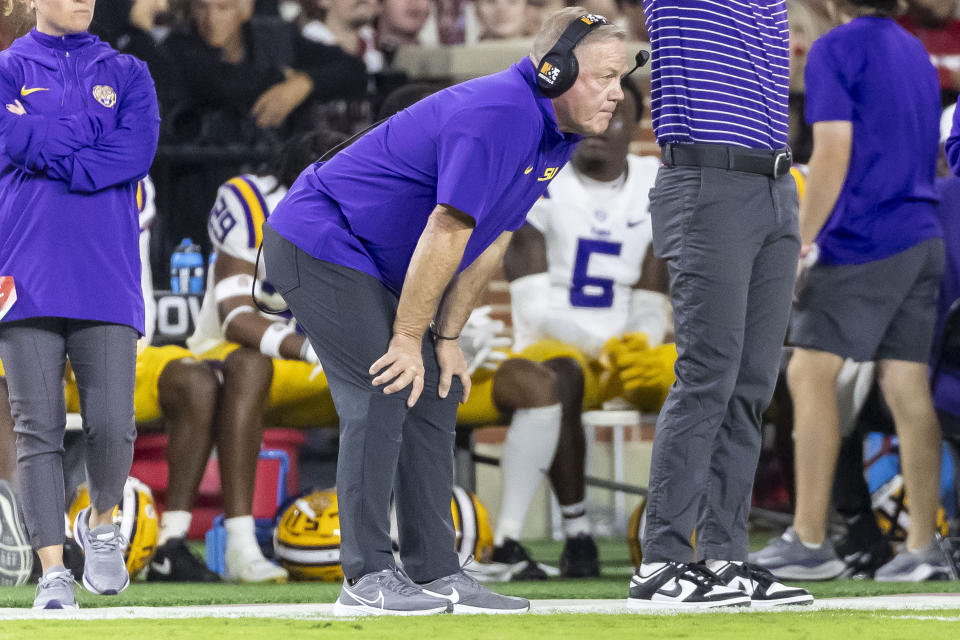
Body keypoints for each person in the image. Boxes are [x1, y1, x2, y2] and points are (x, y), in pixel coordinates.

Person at [264, 7, 626, 615]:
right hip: (320, 239)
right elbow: (449, 225)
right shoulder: (500, 114)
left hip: (378, 259)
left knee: (433, 392)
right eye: (605, 77)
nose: (617, 94)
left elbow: (495, 234)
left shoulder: (554, 129)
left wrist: (446, 336)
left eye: (621, 79)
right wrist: (409, 336)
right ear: (554, 70)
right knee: (386, 383)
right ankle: (368, 577)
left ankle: (435, 571)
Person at [752, 0, 950, 583]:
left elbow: (833, 153)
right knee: (906, 381)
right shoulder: (913, 47)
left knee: (808, 374)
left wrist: (800, 242)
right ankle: (922, 548)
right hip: (922, 232)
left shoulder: (835, 48)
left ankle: (810, 539)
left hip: (864, 237)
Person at [630, 0, 812, 608]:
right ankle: (661, 561)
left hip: (778, 185)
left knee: (753, 384)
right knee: (708, 375)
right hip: (708, 181)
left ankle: (724, 556)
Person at [0, 0, 160, 610]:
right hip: (24, 271)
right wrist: (91, 141)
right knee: (35, 428)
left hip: (106, 272)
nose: (84, 1)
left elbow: (135, 155)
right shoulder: (6, 69)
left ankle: (102, 525)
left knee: (113, 422)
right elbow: (5, 137)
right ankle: (52, 573)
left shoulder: (130, 73)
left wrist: (42, 144)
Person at [488, 77, 671, 579]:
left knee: (702, 377)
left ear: (635, 126)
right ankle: (578, 532)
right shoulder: (540, 178)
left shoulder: (656, 181)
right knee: (561, 375)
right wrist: (602, 344)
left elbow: (656, 291)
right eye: (590, 111)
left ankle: (694, 527)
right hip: (557, 343)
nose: (601, 124)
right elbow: (532, 310)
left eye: (614, 114)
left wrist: (639, 341)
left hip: (629, 345)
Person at [185, 129, 352, 584]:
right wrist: (307, 347)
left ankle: (395, 534)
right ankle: (241, 543)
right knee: (249, 363)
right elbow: (236, 316)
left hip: (326, 364)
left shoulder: (368, 206)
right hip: (236, 355)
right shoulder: (247, 199)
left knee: (399, 372)